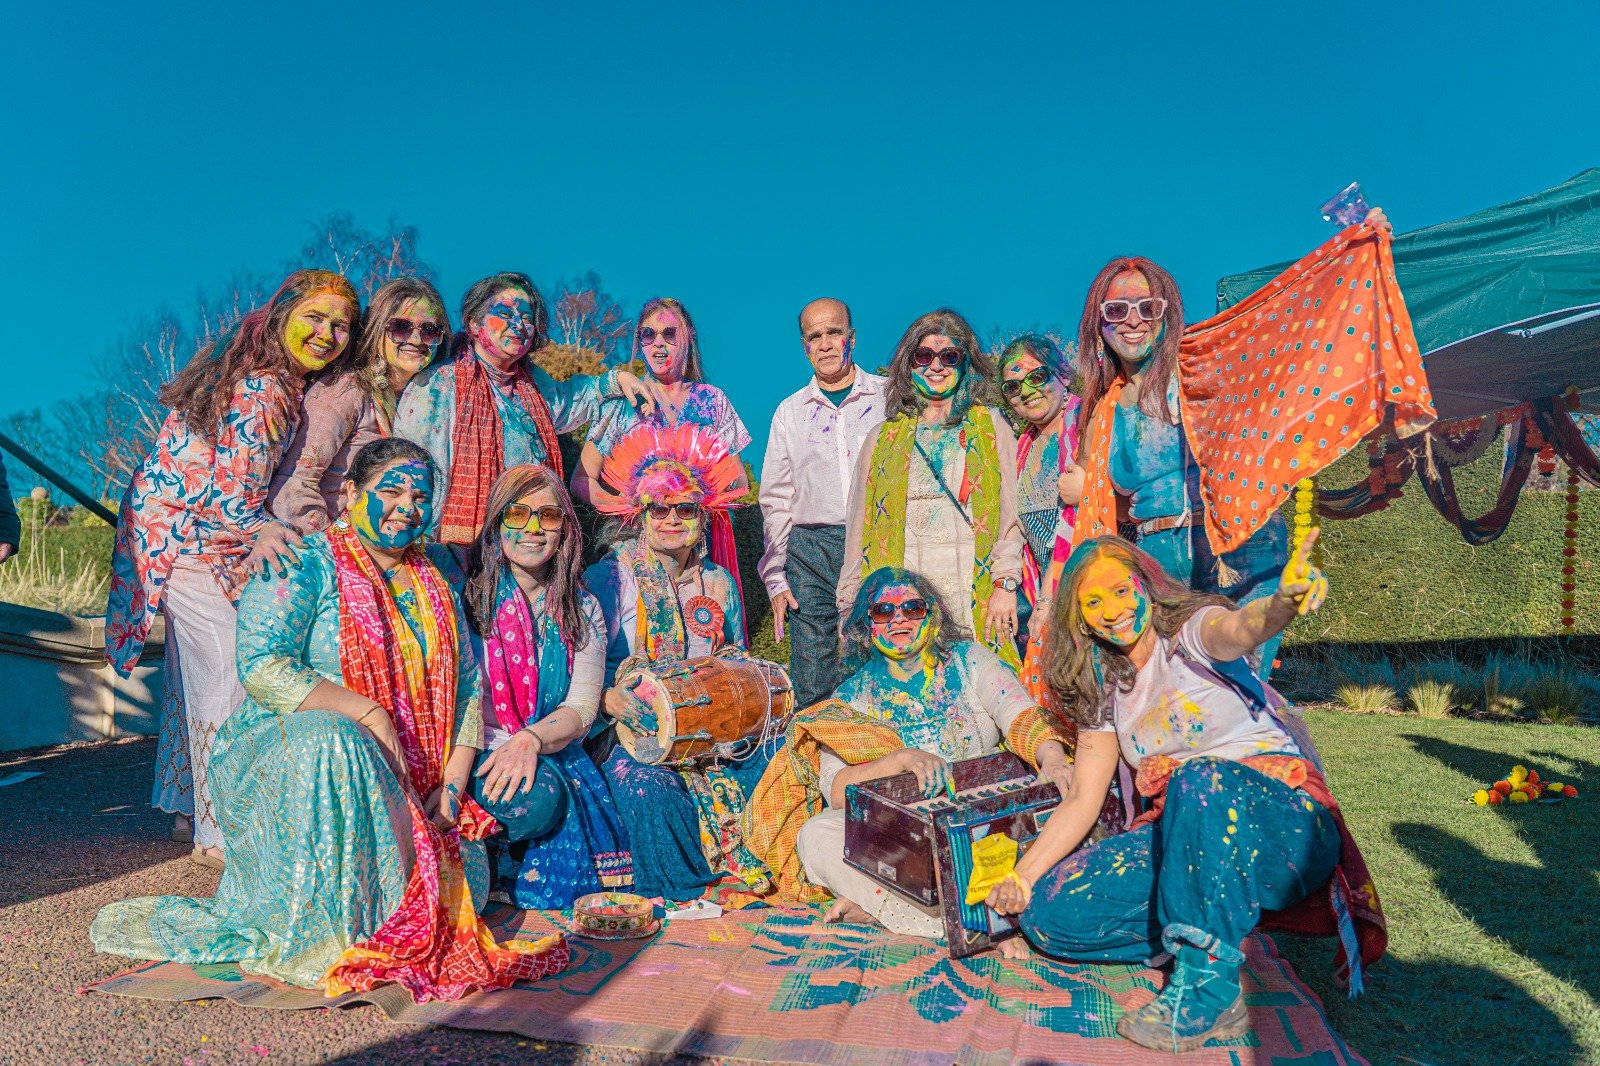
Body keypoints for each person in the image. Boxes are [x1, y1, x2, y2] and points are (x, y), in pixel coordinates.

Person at [91, 439, 568, 1001]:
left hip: (410, 775)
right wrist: (367, 712)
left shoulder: (437, 576)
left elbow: (467, 689)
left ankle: (383, 905)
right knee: (337, 739)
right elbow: (262, 665)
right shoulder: (303, 561)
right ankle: (325, 931)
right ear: (350, 492)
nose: (406, 506)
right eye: (390, 490)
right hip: (291, 749)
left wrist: (451, 787)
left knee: (466, 885)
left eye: (420, 495)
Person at [983, 532, 1384, 1053]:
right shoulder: (1106, 689)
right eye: (1094, 601)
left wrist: (1282, 602)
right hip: (1192, 836)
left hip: (1284, 825)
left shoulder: (1190, 636)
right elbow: (1083, 798)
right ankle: (1204, 923)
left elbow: (1239, 628)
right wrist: (1024, 875)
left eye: (1122, 591)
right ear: (1080, 618)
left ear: (1147, 586)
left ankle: (1208, 989)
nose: (1113, 610)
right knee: (1051, 914)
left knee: (1198, 777)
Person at [106, 269, 360, 866]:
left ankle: (185, 808)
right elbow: (231, 497)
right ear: (282, 317)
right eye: (315, 319)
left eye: (341, 326)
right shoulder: (266, 390)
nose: (327, 334)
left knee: (192, 678)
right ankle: (223, 835)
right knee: (230, 672)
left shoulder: (269, 382)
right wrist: (270, 528)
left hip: (173, 533)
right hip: (187, 538)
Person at [742, 567, 1073, 938]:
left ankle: (888, 911)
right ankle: (941, 920)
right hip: (906, 836)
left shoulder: (969, 661)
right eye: (883, 612)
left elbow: (1020, 715)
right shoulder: (852, 697)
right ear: (867, 626)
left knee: (1067, 798)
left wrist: (1055, 760)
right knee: (817, 834)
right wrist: (899, 760)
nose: (898, 619)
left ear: (933, 614)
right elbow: (835, 791)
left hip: (986, 816)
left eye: (912, 608)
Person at [584, 422, 771, 904]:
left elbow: (734, 658)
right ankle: (683, 890)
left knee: (773, 764)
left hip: (710, 733)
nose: (671, 518)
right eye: (659, 508)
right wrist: (609, 700)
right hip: (627, 728)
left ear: (702, 516)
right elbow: (577, 664)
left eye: (684, 508)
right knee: (649, 789)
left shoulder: (721, 582)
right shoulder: (608, 576)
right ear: (639, 516)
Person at [463, 463, 631, 906]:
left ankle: (497, 853)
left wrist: (530, 740)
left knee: (542, 799)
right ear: (497, 524)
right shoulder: (464, 598)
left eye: (549, 516)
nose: (532, 529)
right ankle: (478, 842)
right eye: (517, 514)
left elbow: (580, 709)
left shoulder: (583, 608)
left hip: (546, 747)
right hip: (471, 752)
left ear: (565, 530)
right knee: (530, 800)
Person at [393, 271, 652, 545]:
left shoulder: (533, 384)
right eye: (505, 314)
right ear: (473, 324)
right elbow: (417, 478)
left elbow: (572, 401)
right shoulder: (436, 386)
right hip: (457, 554)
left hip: (529, 545)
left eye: (526, 317)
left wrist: (617, 379)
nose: (518, 324)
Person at [837, 308, 1024, 670]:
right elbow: (857, 529)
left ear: (965, 364)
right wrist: (848, 603)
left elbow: (1010, 517)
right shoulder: (881, 439)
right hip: (904, 603)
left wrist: (1005, 583)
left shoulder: (992, 426)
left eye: (949, 356)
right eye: (924, 355)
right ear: (909, 364)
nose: (935, 366)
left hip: (973, 590)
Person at [570, 297, 751, 612]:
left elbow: (738, 483)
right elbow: (582, 480)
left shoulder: (712, 402)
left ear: (688, 337)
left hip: (694, 554)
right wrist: (628, 505)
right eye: (648, 335)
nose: (659, 344)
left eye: (670, 334)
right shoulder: (622, 404)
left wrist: (693, 505)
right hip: (631, 550)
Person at [759, 297, 886, 708]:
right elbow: (776, 500)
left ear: (852, 338)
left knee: (877, 657)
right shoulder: (789, 413)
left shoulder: (889, 399)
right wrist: (776, 577)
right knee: (813, 672)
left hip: (875, 540)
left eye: (834, 332)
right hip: (810, 550)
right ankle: (817, 764)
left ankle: (883, 761)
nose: (826, 343)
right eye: (816, 336)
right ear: (805, 347)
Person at [268, 277, 450, 533]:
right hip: (330, 550)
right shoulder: (346, 389)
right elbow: (293, 486)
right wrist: (334, 552)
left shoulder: (423, 404)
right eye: (401, 327)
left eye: (430, 330)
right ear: (377, 328)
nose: (417, 339)